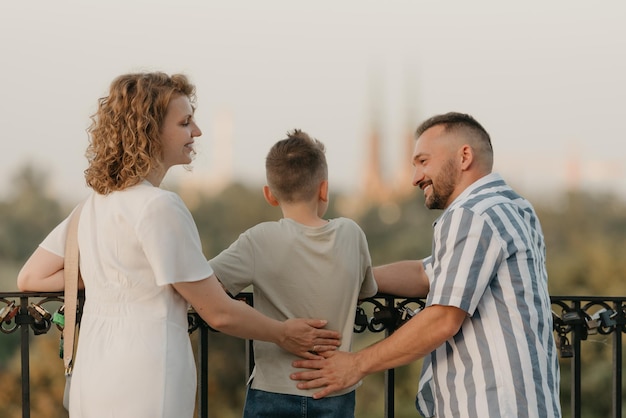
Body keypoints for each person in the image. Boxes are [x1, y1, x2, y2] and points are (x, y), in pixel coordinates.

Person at [16, 72, 340, 418]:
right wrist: (284, 334)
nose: (196, 132)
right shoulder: (159, 207)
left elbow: (30, 277)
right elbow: (217, 311)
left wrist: (110, 271)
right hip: (146, 379)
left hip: (91, 382)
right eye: (185, 123)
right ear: (150, 132)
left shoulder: (93, 205)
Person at [290, 112, 562, 418]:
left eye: (423, 161)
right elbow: (428, 273)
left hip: (490, 405)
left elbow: (443, 318)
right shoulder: (513, 206)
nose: (415, 177)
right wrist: (353, 278)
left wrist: (355, 365)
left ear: (464, 156)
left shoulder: (472, 214)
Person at [208, 129, 378, 417]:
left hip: (272, 391)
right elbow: (367, 290)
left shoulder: (258, 240)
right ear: (323, 188)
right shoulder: (351, 233)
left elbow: (202, 285)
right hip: (334, 390)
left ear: (269, 195)